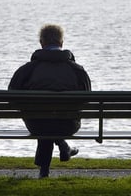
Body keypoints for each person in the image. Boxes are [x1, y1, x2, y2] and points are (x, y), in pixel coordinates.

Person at [8, 24, 92, 178]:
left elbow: (11, 97)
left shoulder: (27, 70)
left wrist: (29, 109)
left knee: (44, 118)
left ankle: (45, 170)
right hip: (68, 125)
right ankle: (62, 146)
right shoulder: (77, 70)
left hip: (37, 124)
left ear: (41, 43)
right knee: (52, 118)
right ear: (61, 43)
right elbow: (86, 99)